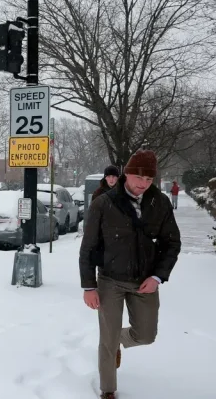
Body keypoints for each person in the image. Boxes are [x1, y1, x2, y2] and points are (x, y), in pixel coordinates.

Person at [78, 150, 181, 399]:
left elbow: (172, 243)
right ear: (127, 174)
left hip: (144, 280)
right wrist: (88, 286)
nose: (143, 185)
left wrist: (157, 277)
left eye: (149, 180)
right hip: (109, 280)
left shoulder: (160, 203)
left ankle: (118, 341)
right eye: (138, 178)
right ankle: (108, 390)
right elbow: (88, 246)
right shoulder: (104, 202)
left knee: (145, 335)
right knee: (107, 338)